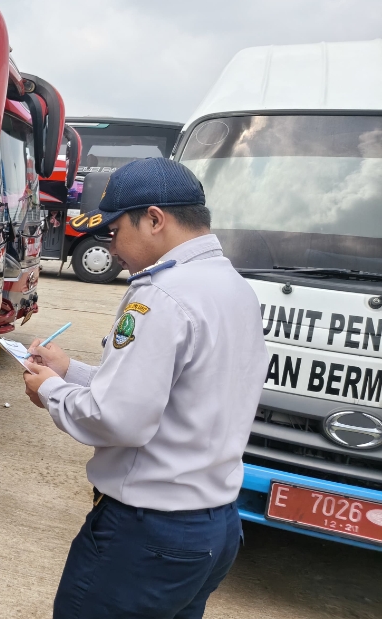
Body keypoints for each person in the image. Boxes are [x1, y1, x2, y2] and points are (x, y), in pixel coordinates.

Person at [21, 157, 268, 619]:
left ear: (155, 219)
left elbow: (119, 418)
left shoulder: (162, 294)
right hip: (212, 529)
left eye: (115, 230)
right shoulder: (232, 287)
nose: (111, 246)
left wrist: (50, 391)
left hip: (147, 536)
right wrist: (69, 369)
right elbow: (168, 394)